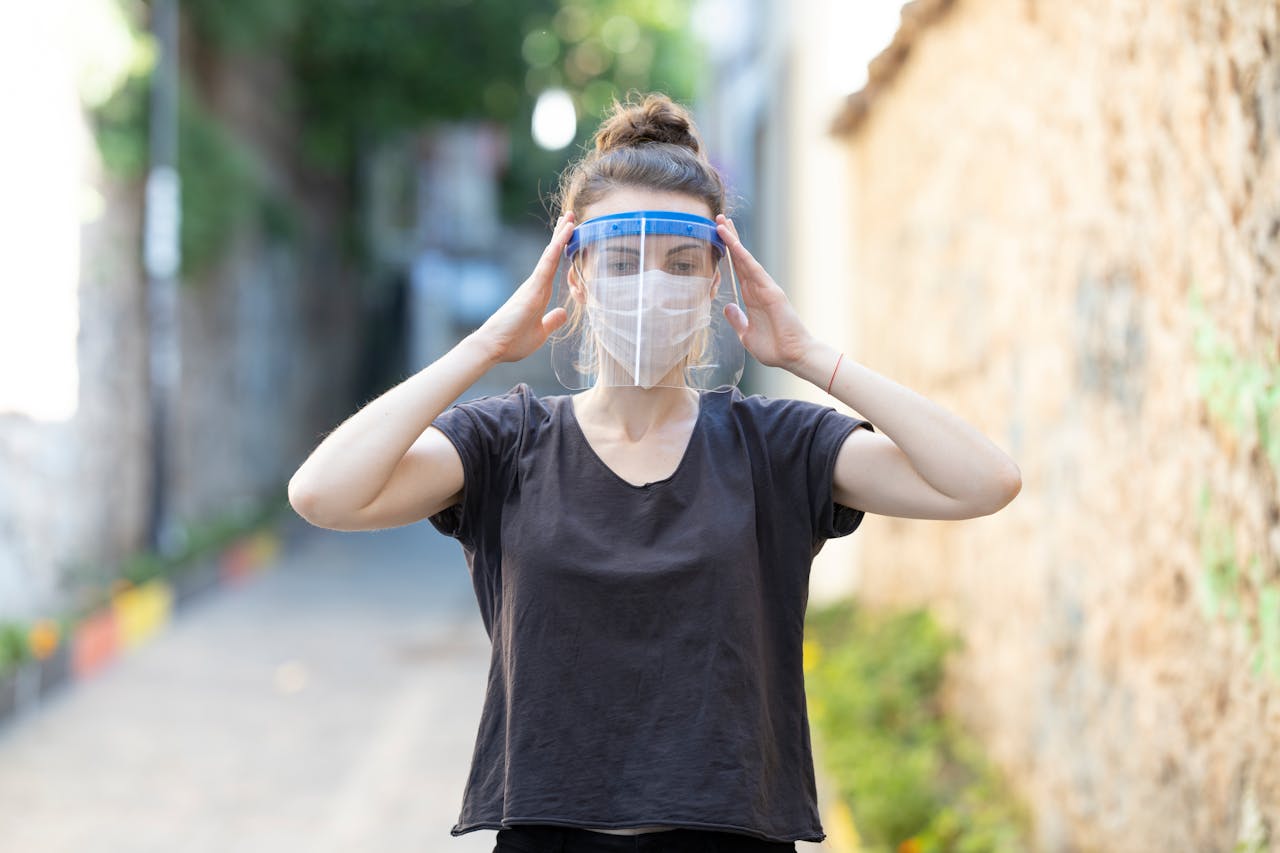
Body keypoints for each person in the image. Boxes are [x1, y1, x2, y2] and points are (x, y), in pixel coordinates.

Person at [288, 93, 1022, 853]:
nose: (651, 285)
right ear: (575, 276)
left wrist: (809, 356)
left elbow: (983, 481)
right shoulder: (508, 441)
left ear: (714, 280)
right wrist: (480, 347)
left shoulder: (773, 446)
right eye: (621, 260)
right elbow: (322, 493)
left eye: (680, 262)